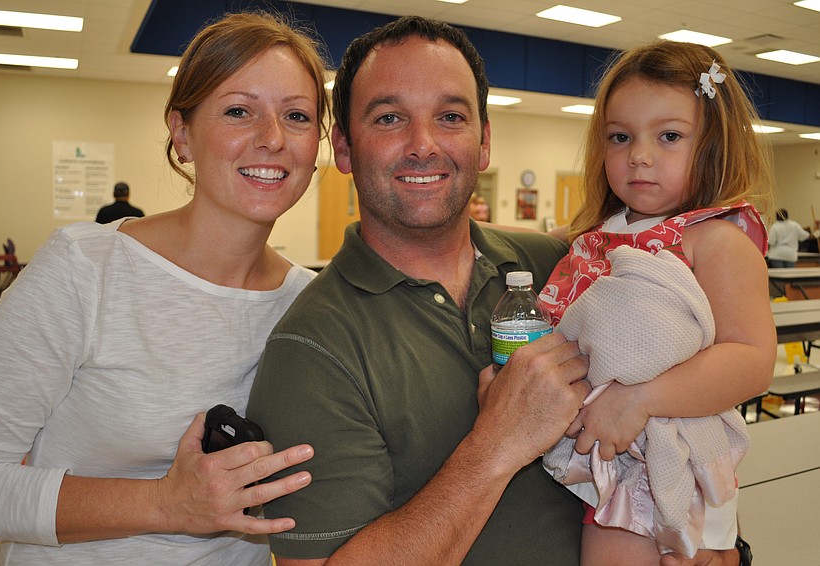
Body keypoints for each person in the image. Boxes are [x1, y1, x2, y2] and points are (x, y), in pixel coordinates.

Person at [249, 17, 740, 566]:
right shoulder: (312, 349)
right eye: (389, 118)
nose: (423, 145)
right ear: (343, 147)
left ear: (484, 141)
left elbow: (694, 390)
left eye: (451, 117)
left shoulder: (563, 267)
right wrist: (497, 445)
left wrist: (718, 542)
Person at [0, 12, 329, 564]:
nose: (273, 139)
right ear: (182, 133)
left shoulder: (311, 304)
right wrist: (166, 504)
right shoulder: (86, 269)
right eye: (239, 111)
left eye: (297, 116)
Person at [537, 41, 775, 564]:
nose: (639, 155)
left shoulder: (715, 241)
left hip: (674, 460)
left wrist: (639, 399)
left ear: (712, 145)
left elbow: (752, 358)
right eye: (620, 137)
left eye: (669, 136)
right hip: (611, 459)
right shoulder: (601, 234)